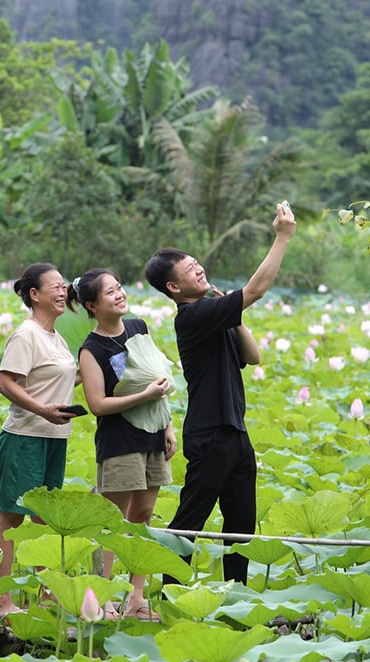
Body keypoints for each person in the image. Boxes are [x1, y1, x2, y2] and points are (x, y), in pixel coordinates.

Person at [144, 202, 296, 584]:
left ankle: (237, 596)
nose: (198, 268)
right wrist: (282, 237)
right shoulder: (193, 316)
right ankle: (171, 593)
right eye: (189, 269)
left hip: (235, 432)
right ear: (174, 288)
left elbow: (253, 356)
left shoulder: (214, 313)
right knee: (190, 521)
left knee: (241, 523)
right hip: (210, 434)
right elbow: (257, 289)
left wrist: (232, 311)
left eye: (197, 262)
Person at [68, 267, 177, 620]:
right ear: (91, 304)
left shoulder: (138, 327)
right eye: (110, 292)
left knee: (142, 516)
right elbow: (98, 405)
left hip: (152, 433)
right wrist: (144, 395)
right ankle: (103, 596)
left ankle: (137, 598)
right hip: (119, 442)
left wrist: (169, 425)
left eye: (119, 288)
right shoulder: (91, 349)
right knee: (113, 522)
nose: (119, 295)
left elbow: (156, 377)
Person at [0, 263, 79, 617]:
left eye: (64, 287)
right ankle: (2, 600)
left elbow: (56, 382)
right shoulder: (26, 334)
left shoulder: (57, 338)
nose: (63, 292)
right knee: (11, 520)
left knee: (45, 519)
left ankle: (48, 595)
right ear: (34, 294)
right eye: (55, 287)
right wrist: (42, 410)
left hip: (55, 436)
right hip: (25, 437)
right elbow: (5, 383)